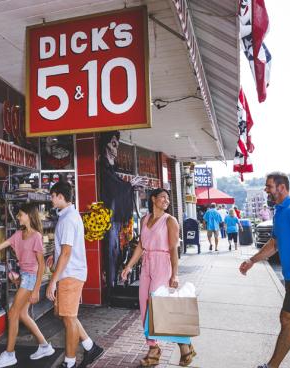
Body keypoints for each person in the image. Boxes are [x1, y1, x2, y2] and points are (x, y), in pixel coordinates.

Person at [239, 172, 290, 368]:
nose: (266, 190)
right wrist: (252, 260)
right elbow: (274, 243)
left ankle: (272, 366)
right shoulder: (280, 212)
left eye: (269, 186)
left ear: (282, 187)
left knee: (287, 318)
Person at [0, 203, 55, 368]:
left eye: (20, 214)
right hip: (25, 277)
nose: (18, 217)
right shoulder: (18, 234)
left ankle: (10, 354)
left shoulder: (36, 237)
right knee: (22, 315)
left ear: (29, 216)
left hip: (31, 278)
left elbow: (41, 265)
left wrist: (35, 290)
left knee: (13, 313)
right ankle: (44, 346)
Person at [121, 188, 195, 367]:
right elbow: (140, 246)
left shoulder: (170, 221)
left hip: (162, 263)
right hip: (147, 264)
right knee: (144, 306)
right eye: (163, 197)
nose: (166, 200)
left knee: (161, 307)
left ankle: (185, 345)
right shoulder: (145, 219)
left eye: (168, 198)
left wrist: (175, 273)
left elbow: (173, 249)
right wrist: (129, 266)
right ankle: (153, 349)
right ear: (153, 199)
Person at [46, 182, 104, 368]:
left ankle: (69, 363)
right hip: (69, 272)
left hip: (69, 274)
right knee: (66, 315)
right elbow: (63, 251)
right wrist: (53, 258)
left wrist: (52, 281)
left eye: (52, 196)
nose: (51, 199)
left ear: (60, 196)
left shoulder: (69, 219)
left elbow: (66, 252)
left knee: (69, 318)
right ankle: (90, 346)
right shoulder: (68, 216)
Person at [99, 131, 143, 289]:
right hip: (109, 216)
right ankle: (110, 283)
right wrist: (128, 186)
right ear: (106, 145)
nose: (116, 146)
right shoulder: (102, 166)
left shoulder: (111, 167)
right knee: (112, 250)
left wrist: (130, 187)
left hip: (115, 217)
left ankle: (113, 280)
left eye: (116, 142)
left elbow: (118, 184)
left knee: (116, 250)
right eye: (112, 142)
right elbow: (113, 186)